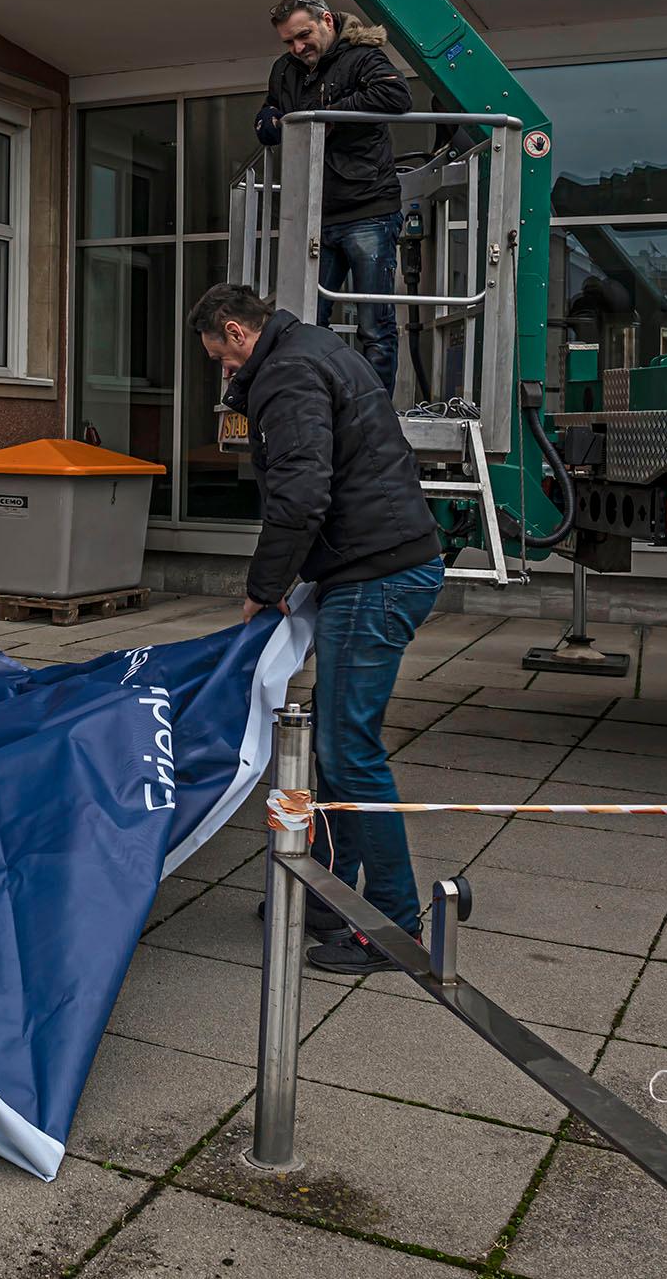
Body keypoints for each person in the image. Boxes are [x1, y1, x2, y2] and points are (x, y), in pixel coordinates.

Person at [191, 281, 444, 975]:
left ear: (239, 332)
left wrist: (262, 590)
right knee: (334, 747)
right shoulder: (311, 350)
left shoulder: (287, 373)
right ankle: (329, 896)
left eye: (222, 358)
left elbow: (302, 494)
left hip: (375, 576)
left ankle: (393, 928)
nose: (225, 372)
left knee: (350, 749)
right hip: (376, 567)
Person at [253, 0, 413, 397]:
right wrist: (270, 122)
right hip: (314, 212)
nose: (298, 47)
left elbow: (396, 95)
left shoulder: (361, 56)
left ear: (327, 21)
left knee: (374, 324)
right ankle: (313, 401)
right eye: (288, 41)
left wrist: (326, 119)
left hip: (368, 208)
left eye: (303, 35)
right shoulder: (285, 69)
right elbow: (271, 111)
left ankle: (373, 408)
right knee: (306, 322)